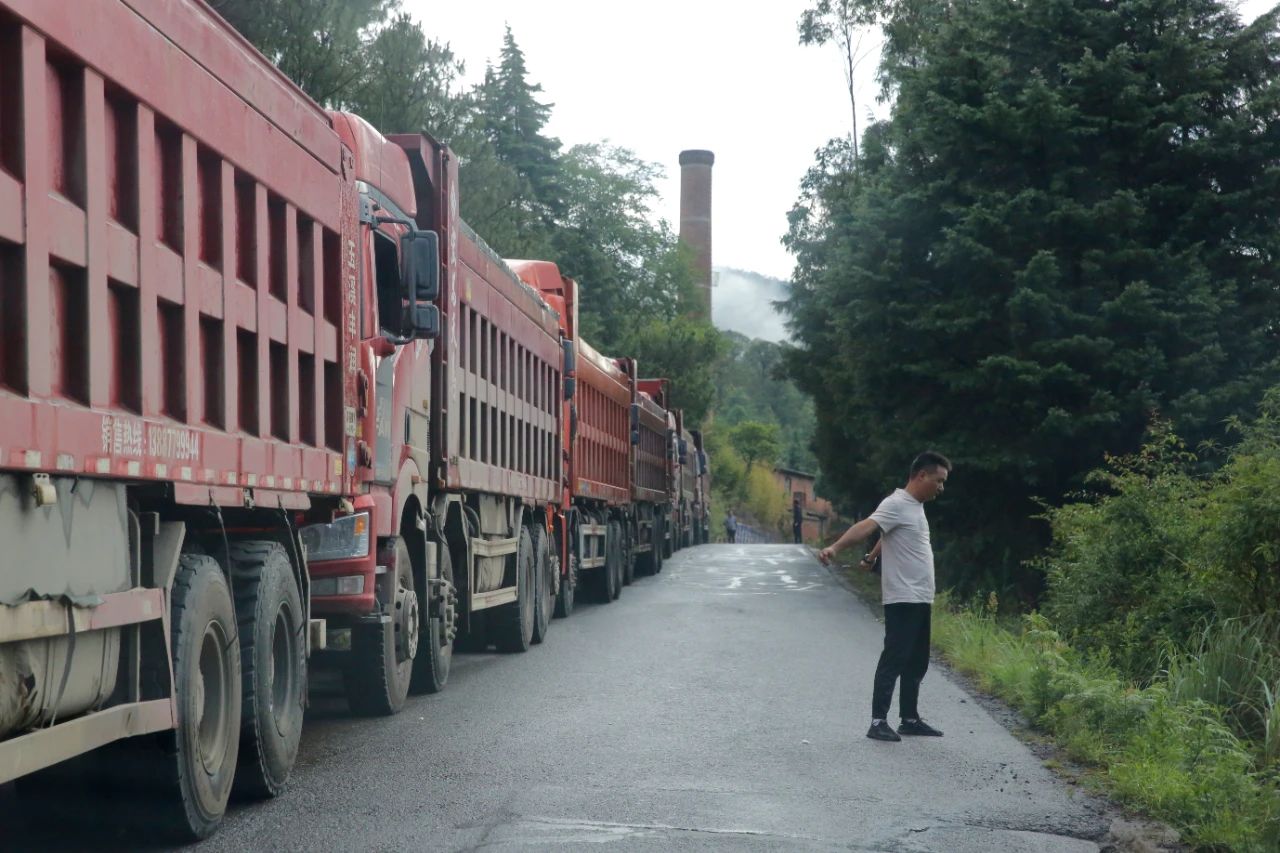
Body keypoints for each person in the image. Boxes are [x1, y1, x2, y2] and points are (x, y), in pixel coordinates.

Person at [819, 451, 952, 743]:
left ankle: (909, 718)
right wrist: (835, 548)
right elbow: (868, 526)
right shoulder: (896, 503)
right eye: (939, 481)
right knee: (894, 658)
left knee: (917, 661)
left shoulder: (914, 507)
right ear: (921, 476)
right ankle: (878, 720)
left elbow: (886, 535)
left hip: (920, 597)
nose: (941, 487)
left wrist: (871, 556)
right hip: (902, 597)